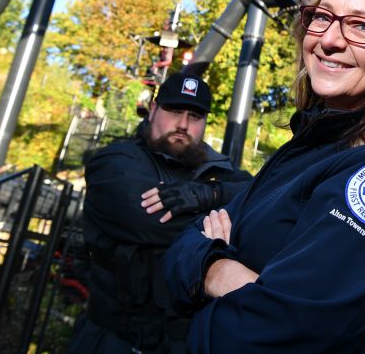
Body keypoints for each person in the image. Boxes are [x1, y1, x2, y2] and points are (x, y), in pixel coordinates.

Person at [162, 0, 365, 352]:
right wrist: (218, 267)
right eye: (322, 17)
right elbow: (180, 251)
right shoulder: (310, 146)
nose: (330, 40)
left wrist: (208, 271)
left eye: (362, 26)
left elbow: (279, 333)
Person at [69, 73, 253, 354]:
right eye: (174, 111)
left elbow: (261, 198)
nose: (182, 124)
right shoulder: (116, 161)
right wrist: (226, 221)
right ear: (153, 110)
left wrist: (211, 194)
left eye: (194, 115)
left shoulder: (220, 171)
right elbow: (150, 219)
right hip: (114, 340)